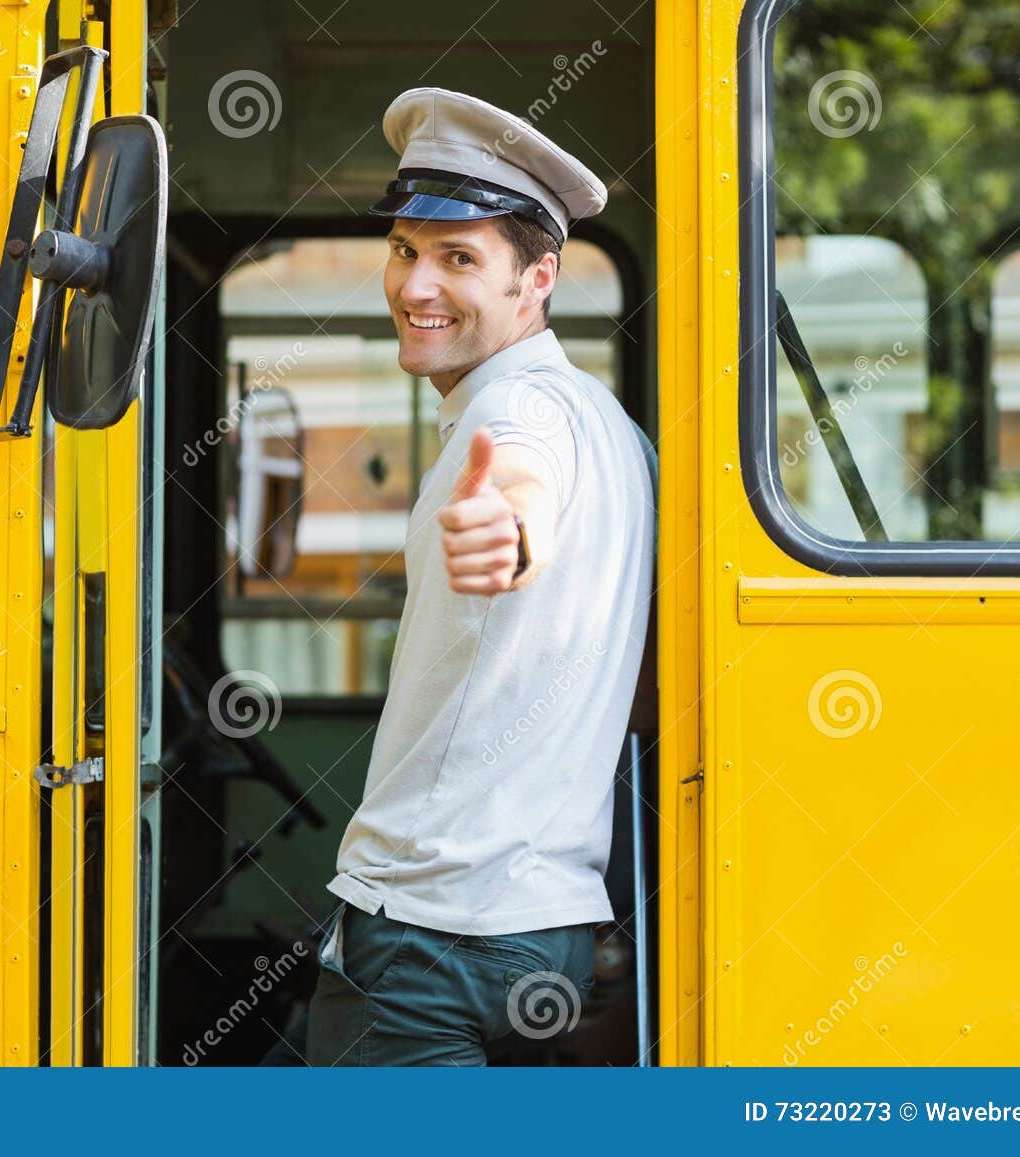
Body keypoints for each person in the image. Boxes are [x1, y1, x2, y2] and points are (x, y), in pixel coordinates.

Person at [297, 87, 656, 1066]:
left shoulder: (520, 420)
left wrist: (509, 531)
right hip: (544, 935)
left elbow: (523, 492)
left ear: (536, 278)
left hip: (428, 930)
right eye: (406, 250)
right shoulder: (612, 428)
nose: (416, 285)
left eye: (459, 259)